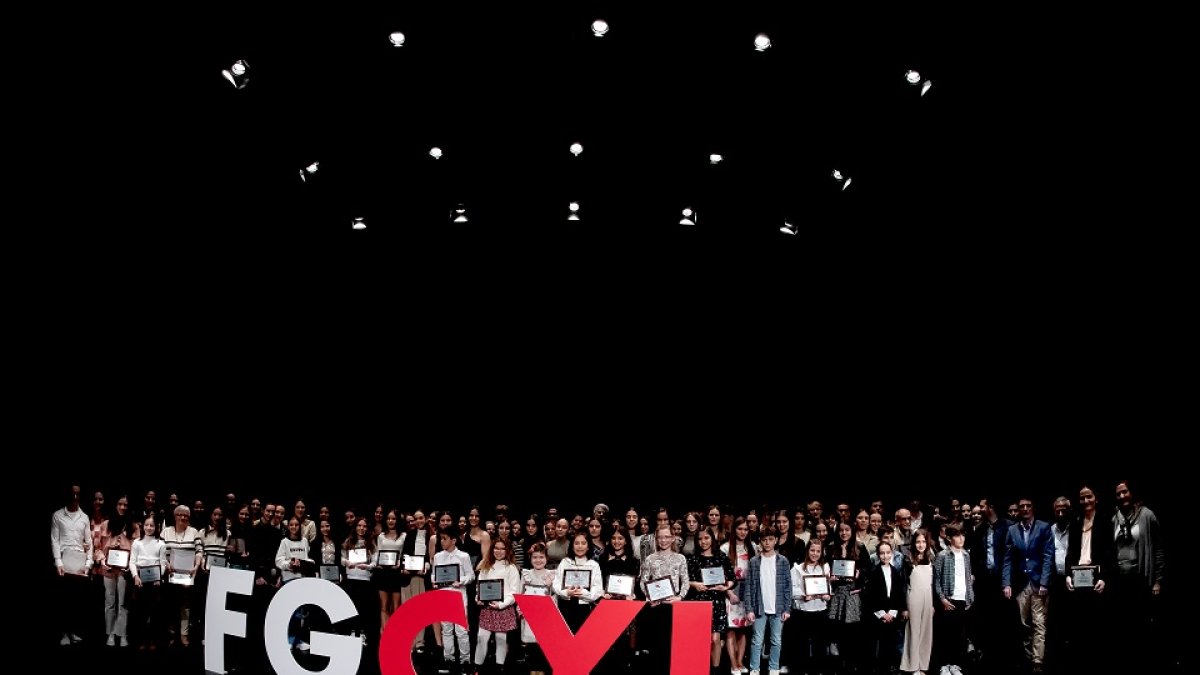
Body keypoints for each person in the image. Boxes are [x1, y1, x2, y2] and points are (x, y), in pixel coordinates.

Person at [1110, 479, 1165, 671]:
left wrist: (1157, 580)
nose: (1122, 496)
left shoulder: (1147, 515)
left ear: (1132, 493)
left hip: (1140, 577)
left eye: (1125, 492)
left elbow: (1157, 549)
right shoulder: (1114, 518)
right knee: (1123, 626)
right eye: (1118, 494)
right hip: (1120, 579)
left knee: (1142, 625)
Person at [1062, 485, 1113, 675]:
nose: (1085, 501)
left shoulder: (1106, 521)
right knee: (1078, 628)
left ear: (1096, 498)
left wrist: (1105, 578)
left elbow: (1110, 553)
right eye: (1082, 498)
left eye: (1089, 497)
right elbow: (1070, 553)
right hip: (1078, 580)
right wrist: (1068, 574)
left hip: (1097, 581)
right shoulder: (1076, 522)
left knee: (1097, 628)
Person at [1003, 497, 1054, 674]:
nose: (1025, 509)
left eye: (1028, 506)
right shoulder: (1012, 530)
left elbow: (1048, 557)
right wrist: (1006, 583)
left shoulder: (1044, 527)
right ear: (1018, 509)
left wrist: (1045, 582)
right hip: (1020, 584)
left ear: (1033, 508)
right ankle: (1028, 658)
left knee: (1039, 623)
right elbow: (1007, 559)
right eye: (1021, 507)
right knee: (1024, 625)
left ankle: (1037, 662)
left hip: (1039, 582)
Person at [741, 525, 791, 675]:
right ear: (760, 542)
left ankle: (774, 668)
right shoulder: (754, 561)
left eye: (770, 539)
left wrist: (787, 608)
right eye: (764, 540)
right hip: (759, 607)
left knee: (776, 640)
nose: (767, 543)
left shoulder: (783, 561)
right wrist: (749, 609)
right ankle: (754, 668)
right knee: (757, 640)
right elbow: (749, 587)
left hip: (778, 607)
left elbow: (788, 587)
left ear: (776, 540)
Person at [687, 529, 735, 673]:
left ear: (712, 538)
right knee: (701, 640)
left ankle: (715, 670)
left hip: (717, 602)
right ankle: (700, 668)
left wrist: (726, 586)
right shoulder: (692, 559)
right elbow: (684, 581)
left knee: (715, 640)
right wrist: (695, 584)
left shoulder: (721, 557)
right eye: (700, 539)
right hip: (698, 603)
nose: (703, 541)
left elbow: (733, 578)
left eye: (706, 538)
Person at [473, 539, 521, 674]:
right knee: (482, 638)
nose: (499, 551)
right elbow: (479, 587)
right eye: (496, 548)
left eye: (502, 549)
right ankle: (478, 667)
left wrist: (501, 604)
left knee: (501, 639)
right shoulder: (486, 566)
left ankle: (499, 667)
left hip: (503, 608)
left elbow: (514, 592)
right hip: (487, 608)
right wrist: (478, 598)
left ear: (507, 551)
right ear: (492, 549)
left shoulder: (511, 568)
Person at [51, 484, 91, 646]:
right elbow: (54, 540)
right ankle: (63, 634)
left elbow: (88, 542)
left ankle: (73, 632)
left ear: (80, 496)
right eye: (72, 494)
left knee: (76, 601)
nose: (75, 498)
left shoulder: (84, 517)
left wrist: (88, 564)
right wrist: (58, 562)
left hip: (79, 562)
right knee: (63, 600)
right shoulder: (57, 515)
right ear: (67, 495)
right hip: (64, 561)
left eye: (77, 495)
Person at [933, 526, 974, 675]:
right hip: (948, 599)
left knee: (959, 634)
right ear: (950, 538)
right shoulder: (942, 555)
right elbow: (936, 580)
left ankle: (955, 664)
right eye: (957, 536)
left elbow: (968, 577)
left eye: (963, 535)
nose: (961, 539)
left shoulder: (966, 555)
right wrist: (942, 598)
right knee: (946, 633)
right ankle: (944, 664)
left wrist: (970, 596)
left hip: (963, 598)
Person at [433, 524, 474, 669]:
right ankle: (448, 659)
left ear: (454, 540)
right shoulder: (438, 556)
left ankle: (465, 661)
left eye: (444, 539)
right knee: (447, 629)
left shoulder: (463, 556)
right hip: (443, 595)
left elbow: (471, 575)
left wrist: (460, 581)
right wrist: (434, 581)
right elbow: (434, 574)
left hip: (458, 596)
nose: (442, 541)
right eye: (441, 539)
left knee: (461, 630)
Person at [789, 538, 831, 675]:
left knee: (820, 643)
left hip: (820, 610)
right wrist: (803, 595)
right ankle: (801, 670)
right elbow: (792, 589)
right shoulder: (797, 568)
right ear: (807, 551)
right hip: (803, 611)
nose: (815, 553)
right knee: (801, 644)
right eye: (812, 550)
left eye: (818, 551)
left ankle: (818, 670)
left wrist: (827, 595)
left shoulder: (825, 567)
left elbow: (828, 587)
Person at [865, 541, 906, 675]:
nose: (885, 556)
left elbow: (898, 594)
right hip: (879, 614)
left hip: (892, 613)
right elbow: (871, 596)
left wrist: (893, 613)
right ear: (878, 555)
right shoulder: (874, 572)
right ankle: (878, 668)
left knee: (891, 643)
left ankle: (889, 667)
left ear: (892, 554)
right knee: (879, 645)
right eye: (882, 553)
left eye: (888, 553)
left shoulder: (895, 571)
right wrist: (882, 614)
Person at [99, 496, 134, 647]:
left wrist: (130, 564)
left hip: (124, 570)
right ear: (115, 505)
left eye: (125, 505)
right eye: (120, 504)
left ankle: (122, 634)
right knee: (110, 603)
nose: (123, 507)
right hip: (108, 569)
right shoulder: (106, 524)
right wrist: (101, 560)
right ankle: (111, 633)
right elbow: (98, 547)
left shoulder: (134, 527)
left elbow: (136, 550)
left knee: (123, 604)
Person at [721, 517, 754, 674]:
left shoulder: (753, 547)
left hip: (747, 591)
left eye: (746, 529)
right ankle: (733, 663)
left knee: (744, 628)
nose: (743, 532)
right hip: (731, 590)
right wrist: (728, 592)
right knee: (731, 629)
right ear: (734, 530)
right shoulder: (725, 548)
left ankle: (740, 661)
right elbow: (720, 575)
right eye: (740, 529)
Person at [130, 515, 167, 651]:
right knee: (140, 612)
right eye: (146, 525)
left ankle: (153, 640)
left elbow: (163, 563)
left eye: (152, 525)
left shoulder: (161, 543)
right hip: (140, 579)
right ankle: (141, 640)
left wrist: (159, 577)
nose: (149, 528)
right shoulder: (137, 542)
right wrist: (135, 576)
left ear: (156, 527)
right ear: (142, 526)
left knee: (154, 613)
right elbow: (132, 561)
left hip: (155, 581)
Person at [901, 530, 935, 675]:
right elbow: (903, 584)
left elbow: (933, 582)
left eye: (923, 542)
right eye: (918, 542)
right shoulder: (908, 558)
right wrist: (904, 607)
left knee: (926, 631)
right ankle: (912, 665)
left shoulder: (931, 557)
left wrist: (933, 604)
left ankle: (923, 665)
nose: (921, 545)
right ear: (914, 543)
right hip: (913, 595)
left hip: (928, 596)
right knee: (913, 631)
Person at [521, 544, 556, 675]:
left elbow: (554, 596)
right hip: (530, 617)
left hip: (545, 617)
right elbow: (521, 593)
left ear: (546, 558)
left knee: (544, 647)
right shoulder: (526, 574)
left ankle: (542, 671)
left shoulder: (551, 575)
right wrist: (520, 609)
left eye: (541, 557)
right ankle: (532, 671)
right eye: (535, 557)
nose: (538, 560)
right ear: (530, 558)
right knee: (532, 647)